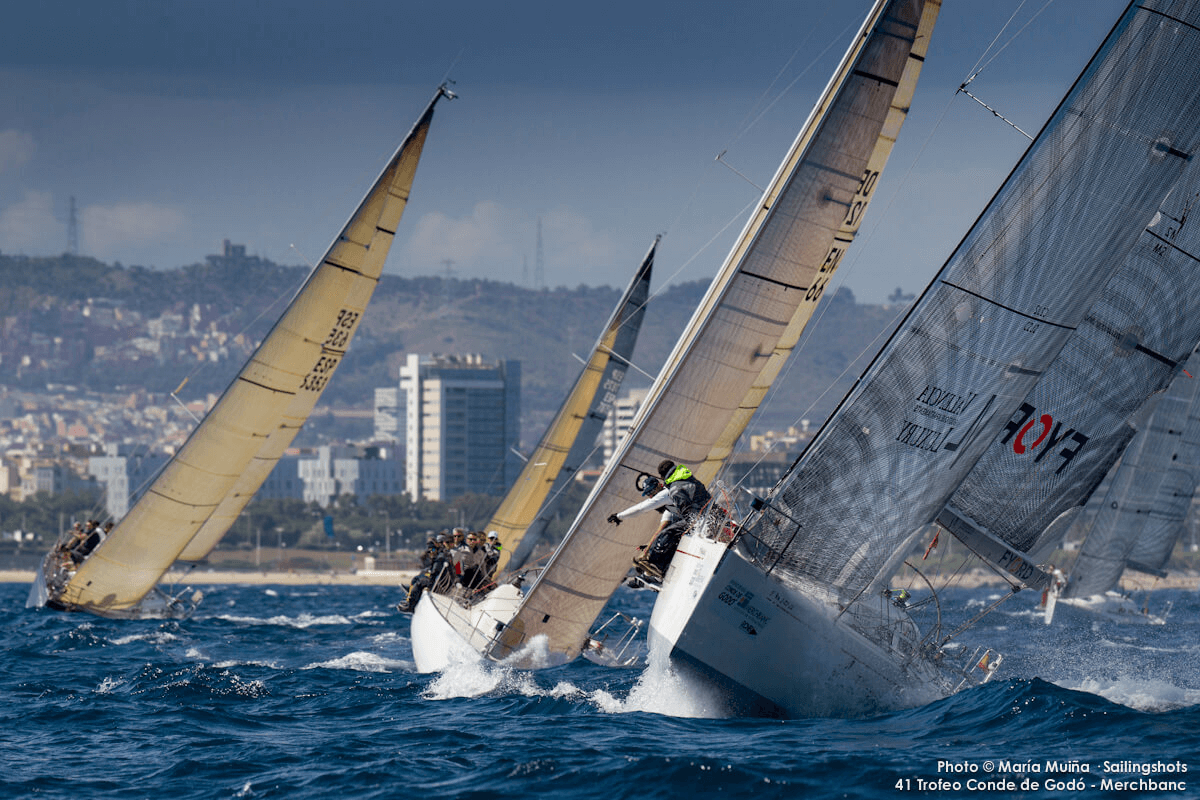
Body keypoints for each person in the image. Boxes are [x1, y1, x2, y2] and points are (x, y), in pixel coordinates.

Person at [607, 459, 712, 579]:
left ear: (659, 484)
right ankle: (661, 568)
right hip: (704, 517)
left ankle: (656, 565)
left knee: (669, 532)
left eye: (652, 492)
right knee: (672, 535)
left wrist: (619, 516)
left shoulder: (666, 493)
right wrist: (649, 545)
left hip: (700, 521)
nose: (651, 496)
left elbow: (642, 508)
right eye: (648, 494)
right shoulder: (680, 484)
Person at [399, 534, 454, 613]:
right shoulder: (440, 556)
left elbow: (434, 573)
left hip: (440, 586)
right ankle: (410, 594)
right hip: (439, 581)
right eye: (430, 551)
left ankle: (411, 606)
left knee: (420, 582)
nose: (431, 552)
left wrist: (428, 585)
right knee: (418, 578)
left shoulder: (440, 557)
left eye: (433, 550)